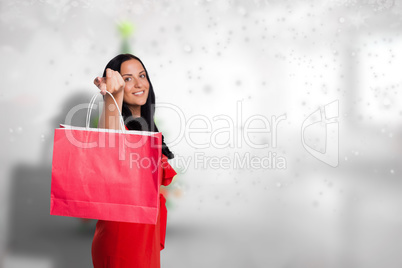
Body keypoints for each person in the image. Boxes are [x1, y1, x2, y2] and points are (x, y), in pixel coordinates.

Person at [91, 54, 177, 267]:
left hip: (146, 237)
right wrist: (112, 96)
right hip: (122, 239)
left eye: (142, 75)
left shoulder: (147, 130)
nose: (139, 84)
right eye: (128, 78)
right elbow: (109, 143)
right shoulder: (117, 127)